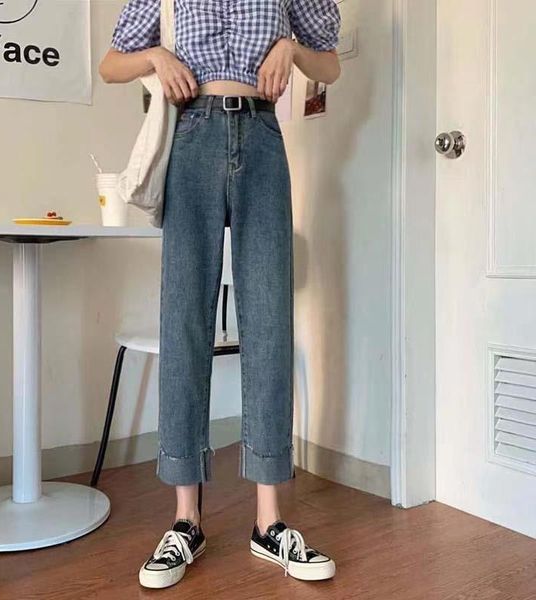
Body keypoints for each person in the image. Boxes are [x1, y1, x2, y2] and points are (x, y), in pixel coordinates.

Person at [99, 0, 342, 589]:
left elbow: (329, 65)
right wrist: (156, 57)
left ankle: (269, 522)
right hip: (192, 136)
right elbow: (109, 65)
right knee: (184, 322)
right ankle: (186, 520)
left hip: (262, 136)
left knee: (269, 323)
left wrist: (292, 49)